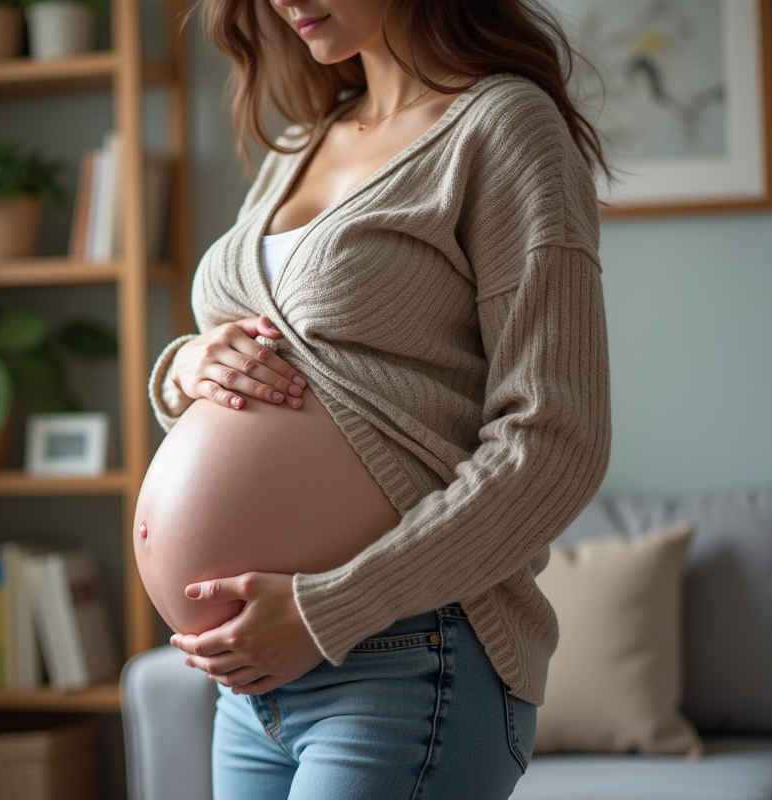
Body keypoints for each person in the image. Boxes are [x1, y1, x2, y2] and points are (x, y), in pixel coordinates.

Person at [140, 1, 612, 797]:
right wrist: (184, 366)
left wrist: (330, 609)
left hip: (404, 660)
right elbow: (271, 356)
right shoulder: (301, 143)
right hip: (250, 690)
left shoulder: (502, 126)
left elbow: (556, 443)